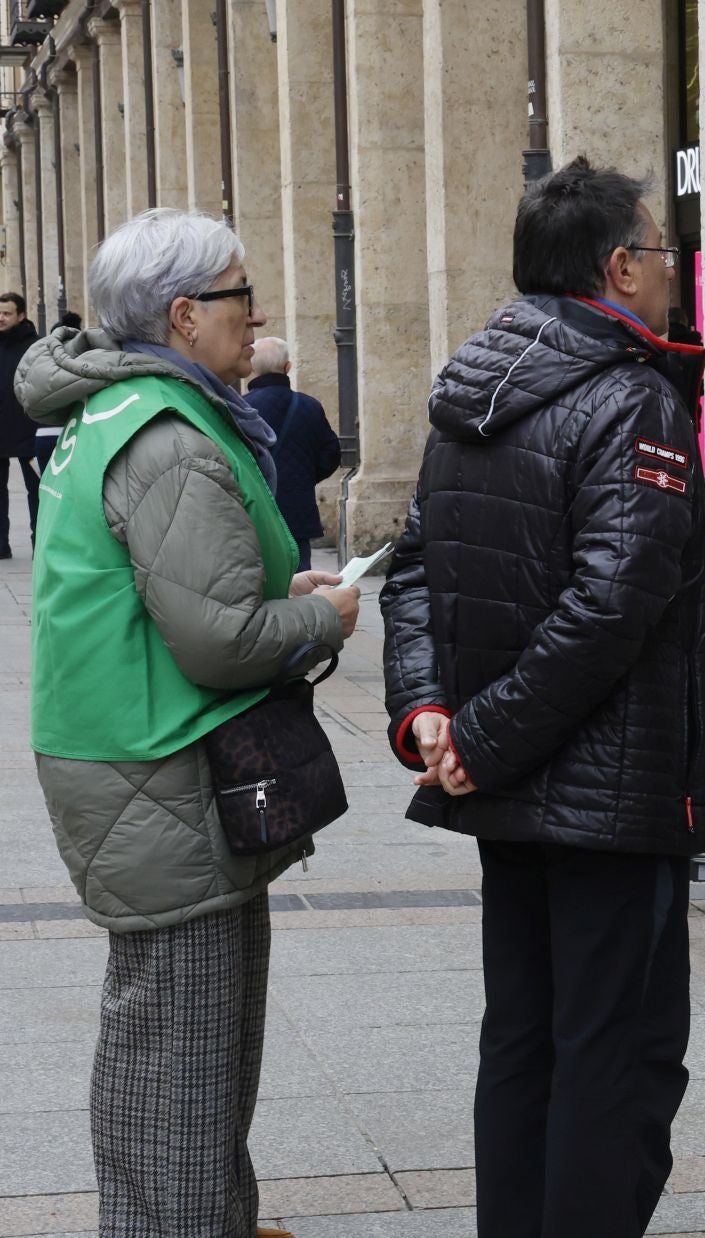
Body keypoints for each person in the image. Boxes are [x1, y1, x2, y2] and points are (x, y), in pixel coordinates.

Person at [381, 156, 705, 1237]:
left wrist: (431, 710)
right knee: (614, 1055)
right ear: (620, 268)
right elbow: (609, 608)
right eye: (666, 252)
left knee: (526, 1037)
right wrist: (469, 734)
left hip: (512, 780)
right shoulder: (633, 401)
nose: (677, 275)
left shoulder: (474, 381)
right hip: (606, 797)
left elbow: (410, 570)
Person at [20, 208, 360, 1238]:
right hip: (157, 765)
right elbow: (212, 641)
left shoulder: (119, 411)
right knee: (188, 1056)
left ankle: (184, 1215)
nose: (255, 311)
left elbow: (179, 591)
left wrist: (272, 585)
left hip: (122, 753)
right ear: (182, 315)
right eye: (238, 292)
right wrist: (318, 612)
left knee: (156, 1041)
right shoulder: (167, 435)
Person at [245, 336, 341, 571]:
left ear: (251, 368)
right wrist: (306, 476)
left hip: (257, 511)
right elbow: (331, 453)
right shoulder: (309, 406)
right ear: (288, 367)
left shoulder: (241, 407)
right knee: (301, 577)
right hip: (298, 508)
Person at [0, 291, 40, 556]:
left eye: (6, 313)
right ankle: (1, 544)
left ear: (21, 315)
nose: (1, 318)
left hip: (29, 429)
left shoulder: (36, 347)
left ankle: (40, 543)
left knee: (37, 490)